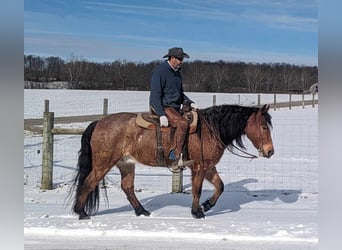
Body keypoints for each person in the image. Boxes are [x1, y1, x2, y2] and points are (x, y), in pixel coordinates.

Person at [149, 47, 199, 166]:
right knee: (183, 123)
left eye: (182, 59)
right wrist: (161, 114)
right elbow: (155, 96)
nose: (182, 61)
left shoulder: (177, 74)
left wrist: (190, 102)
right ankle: (175, 155)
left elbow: (179, 94)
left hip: (174, 108)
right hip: (163, 106)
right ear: (171, 58)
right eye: (179, 59)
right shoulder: (160, 71)